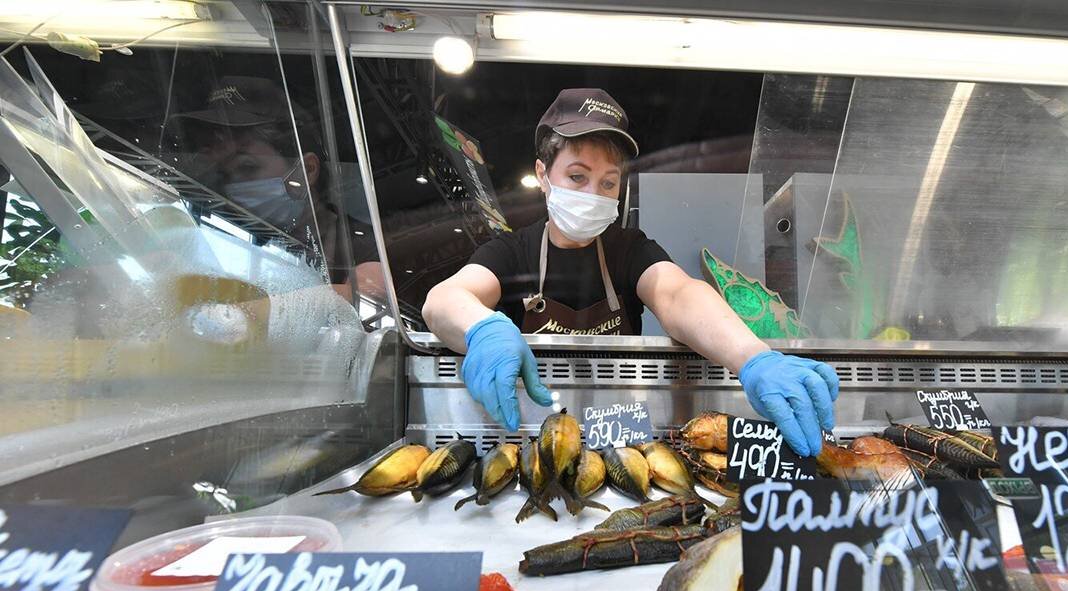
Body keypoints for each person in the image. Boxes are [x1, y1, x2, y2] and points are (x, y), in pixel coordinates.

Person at [422, 89, 838, 457]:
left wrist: (753, 357)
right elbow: (444, 299)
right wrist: (483, 329)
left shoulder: (629, 248)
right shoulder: (513, 251)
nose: (593, 195)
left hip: (621, 434)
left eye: (608, 183)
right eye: (577, 177)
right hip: (530, 434)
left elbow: (677, 294)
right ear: (544, 175)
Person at [173, 76, 386, 303]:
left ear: (307, 171)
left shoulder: (359, 245)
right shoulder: (226, 238)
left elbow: (369, 296)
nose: (234, 187)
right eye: (224, 174)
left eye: (247, 167)